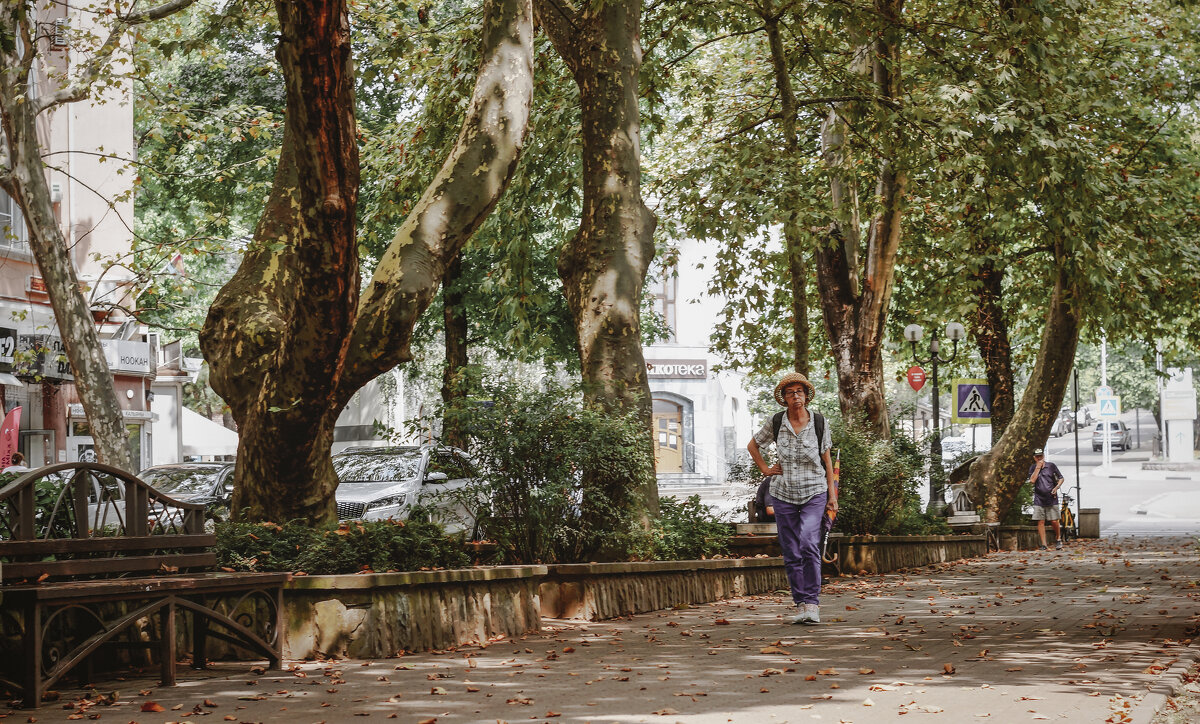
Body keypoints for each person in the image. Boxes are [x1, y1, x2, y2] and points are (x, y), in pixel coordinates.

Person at [747, 372, 835, 624]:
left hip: (814, 491)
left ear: (806, 396)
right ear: (784, 398)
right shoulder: (776, 422)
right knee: (791, 550)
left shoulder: (818, 421)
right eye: (790, 392)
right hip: (783, 493)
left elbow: (827, 460)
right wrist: (765, 469)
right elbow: (753, 446)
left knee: (808, 542)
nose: (795, 395)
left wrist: (832, 496)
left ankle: (813, 604)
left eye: (799, 391)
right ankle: (801, 605)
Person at [1027, 447, 1065, 550]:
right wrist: (1038, 468)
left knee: (1054, 520)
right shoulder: (1033, 468)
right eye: (1037, 456)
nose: (1039, 458)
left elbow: (1061, 478)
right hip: (1039, 498)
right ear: (1034, 458)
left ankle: (1058, 539)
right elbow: (1032, 481)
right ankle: (1044, 544)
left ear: (1043, 456)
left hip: (1051, 497)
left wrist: (1056, 487)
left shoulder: (1051, 466)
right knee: (1040, 521)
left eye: (1041, 456)